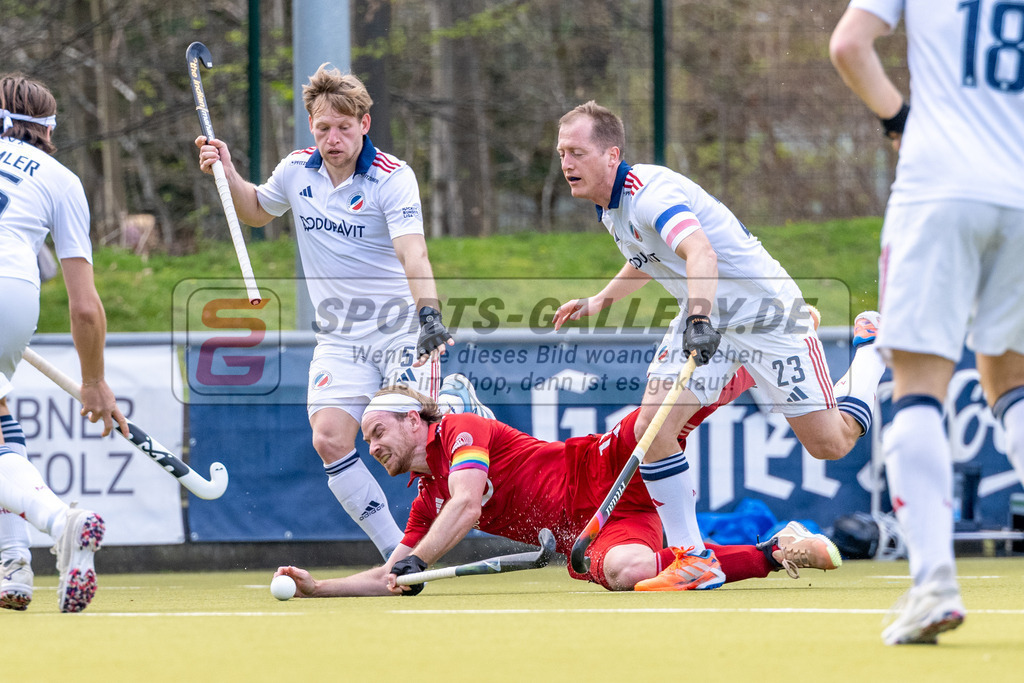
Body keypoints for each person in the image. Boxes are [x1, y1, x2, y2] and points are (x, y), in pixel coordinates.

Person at [549, 101, 886, 589]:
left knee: (830, 444)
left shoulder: (650, 194)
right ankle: (693, 557)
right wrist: (601, 299)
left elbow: (699, 252)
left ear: (611, 154)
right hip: (707, 314)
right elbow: (647, 256)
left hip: (766, 315)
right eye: (562, 152)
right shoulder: (611, 210)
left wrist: (699, 320)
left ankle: (871, 350)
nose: (566, 163)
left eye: (577, 152)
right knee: (652, 425)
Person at [195, 65, 489, 560]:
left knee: (414, 448)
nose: (333, 139)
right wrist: (226, 171)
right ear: (311, 126)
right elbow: (256, 211)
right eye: (323, 127)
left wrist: (429, 316)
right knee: (329, 440)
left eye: (344, 128)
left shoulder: (391, 177)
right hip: (338, 337)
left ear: (364, 124)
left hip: (399, 330)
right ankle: (396, 558)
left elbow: (413, 253)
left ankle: (460, 408)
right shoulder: (295, 170)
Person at [830, 1, 1024, 645]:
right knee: (1009, 382)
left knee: (917, 388)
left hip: (938, 189)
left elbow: (849, 45)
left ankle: (934, 586)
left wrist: (899, 120)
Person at [273, 378, 843, 597]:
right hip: (592, 533)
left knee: (657, 417)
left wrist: (415, 562)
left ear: (413, 420)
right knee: (631, 573)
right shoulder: (426, 502)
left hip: (598, 467)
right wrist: (320, 588)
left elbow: (467, 504)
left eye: (378, 433)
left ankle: (757, 361)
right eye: (367, 440)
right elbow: (390, 574)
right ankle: (775, 552)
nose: (372, 448)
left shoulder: (461, 430)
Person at [0, 73, 130, 612]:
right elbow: (84, 306)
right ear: (49, 129)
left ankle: (61, 522)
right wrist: (94, 380)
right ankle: (13, 565)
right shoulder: (62, 180)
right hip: (17, 293)